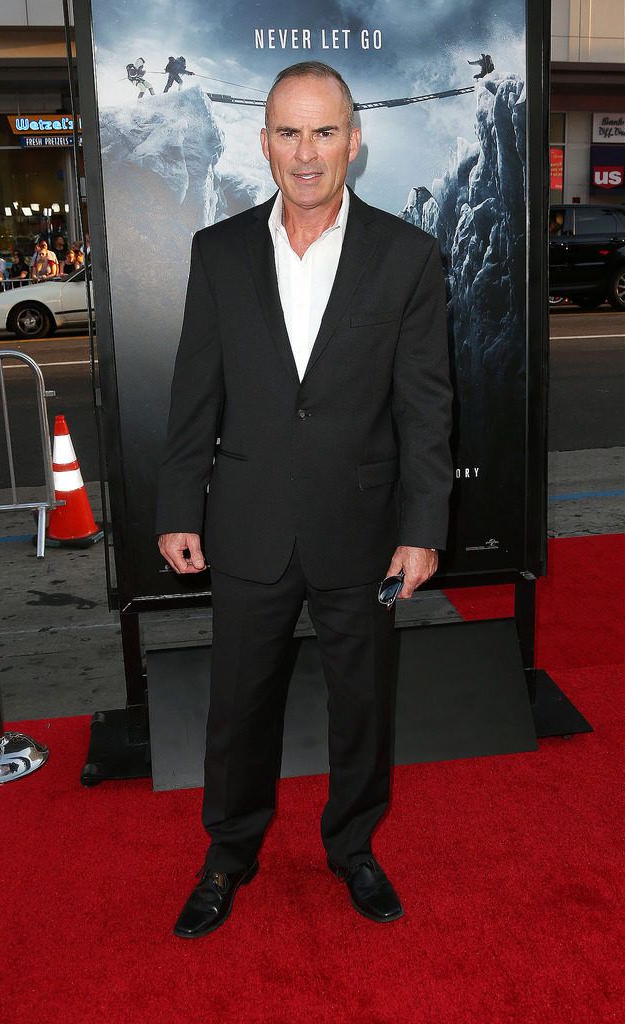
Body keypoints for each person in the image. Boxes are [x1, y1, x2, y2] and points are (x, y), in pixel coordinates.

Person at [157, 61, 453, 939]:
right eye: (288, 132)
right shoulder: (219, 252)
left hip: (360, 528)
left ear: (354, 142)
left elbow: (425, 407)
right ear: (264, 143)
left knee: (362, 701)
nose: (306, 152)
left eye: (324, 131)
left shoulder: (406, 256)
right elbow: (192, 395)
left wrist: (423, 526)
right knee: (237, 703)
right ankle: (227, 854)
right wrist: (180, 505)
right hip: (246, 521)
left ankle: (353, 848)